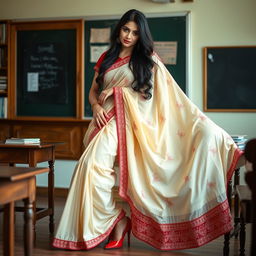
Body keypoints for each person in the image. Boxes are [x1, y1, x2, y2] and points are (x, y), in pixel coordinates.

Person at [52, 9, 244, 251]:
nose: (129, 36)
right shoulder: (107, 57)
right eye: (125, 29)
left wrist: (118, 92)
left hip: (125, 124)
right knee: (91, 170)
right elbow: (93, 90)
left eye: (134, 32)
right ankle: (116, 220)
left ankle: (115, 220)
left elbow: (163, 99)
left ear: (141, 35)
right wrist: (95, 105)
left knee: (90, 166)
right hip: (102, 121)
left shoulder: (147, 60)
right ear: (119, 28)